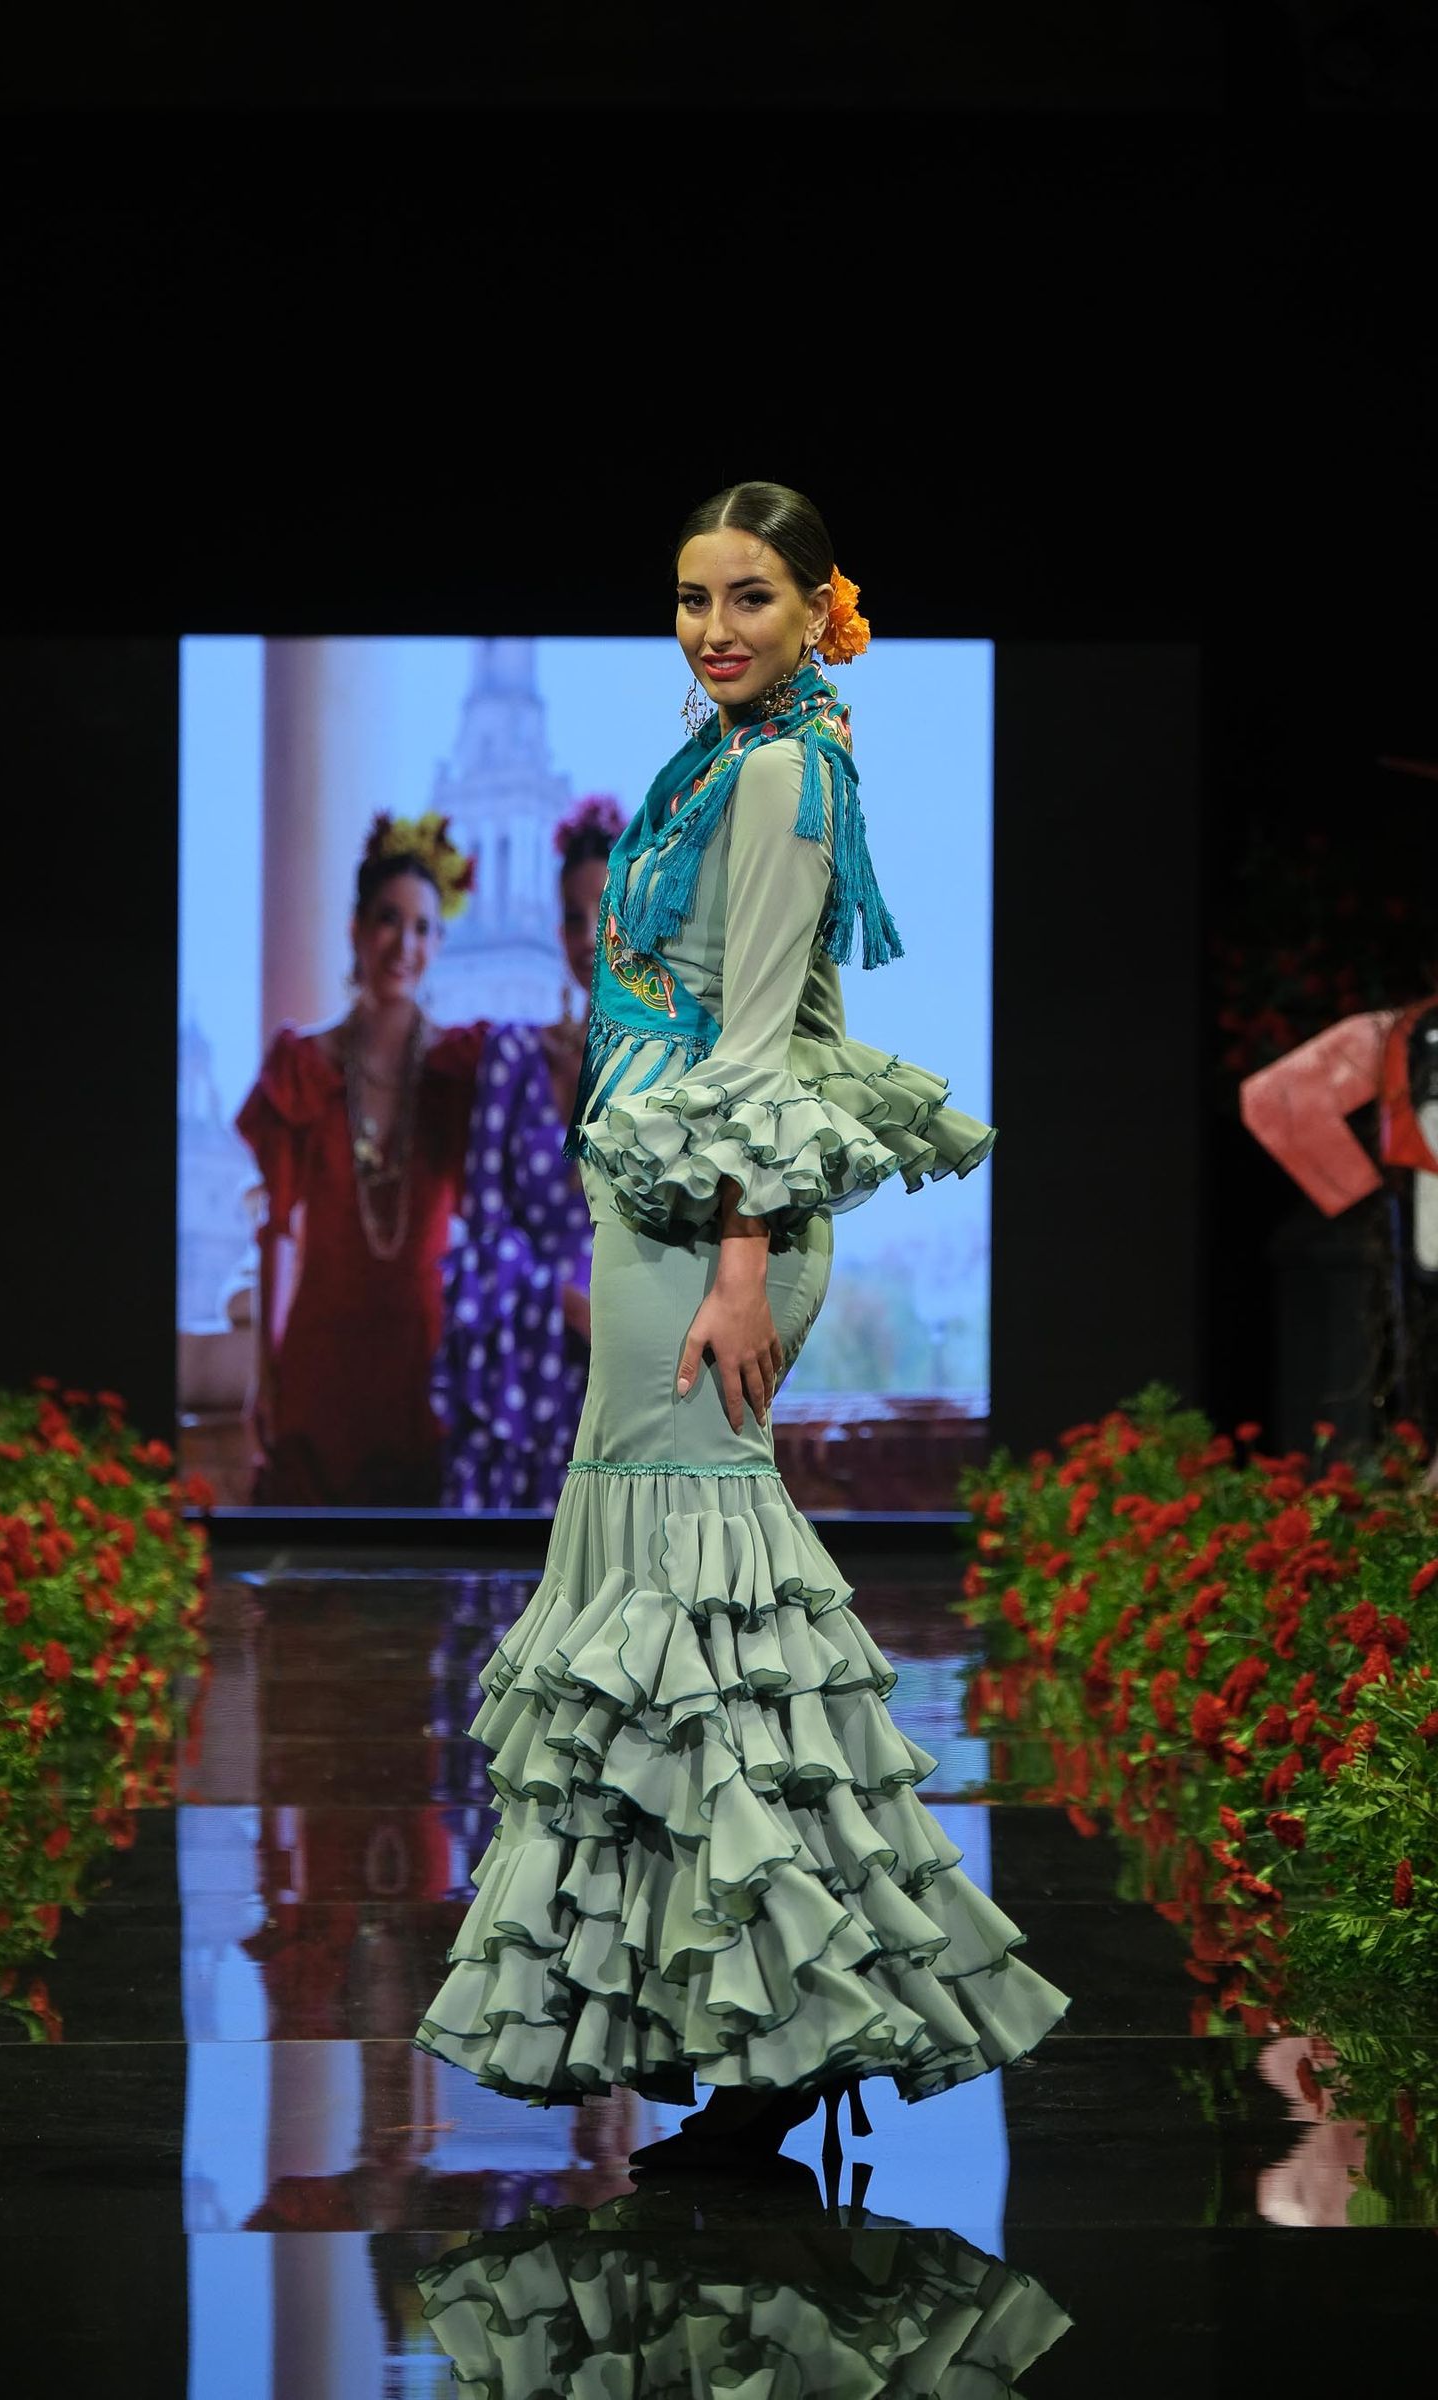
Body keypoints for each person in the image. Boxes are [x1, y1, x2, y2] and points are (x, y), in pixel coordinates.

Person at [414, 483, 1069, 2170]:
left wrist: (736, 1255)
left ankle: (803, 2014)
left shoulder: (784, 766)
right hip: (671, 1213)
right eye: (695, 595)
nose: (715, 626)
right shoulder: (728, 755)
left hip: (719, 1223)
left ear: (814, 606)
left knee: (699, 1599)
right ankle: (754, 2016)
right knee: (665, 1602)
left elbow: (765, 1035)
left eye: (752, 597)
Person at [236, 811, 486, 1506]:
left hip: (418, 1368)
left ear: (438, 943)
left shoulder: (459, 1074)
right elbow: (276, 1232)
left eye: (421, 928)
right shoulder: (301, 1068)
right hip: (320, 1369)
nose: (402, 944)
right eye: (387, 920)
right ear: (355, 928)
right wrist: (265, 1371)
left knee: (418, 1597)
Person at [435, 795, 624, 1511]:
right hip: (529, 1372)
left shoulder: (679, 1072)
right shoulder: (516, 1054)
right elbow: (484, 1232)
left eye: (606, 909)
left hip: (637, 1376)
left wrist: (616, 1311)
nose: (588, 937)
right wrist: (563, 1301)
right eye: (573, 917)